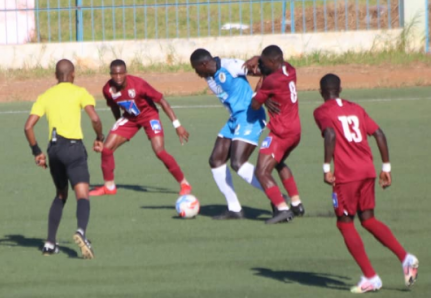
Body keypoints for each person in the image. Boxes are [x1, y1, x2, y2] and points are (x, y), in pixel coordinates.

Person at [313, 74, 418, 293]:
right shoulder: (356, 108)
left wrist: (326, 168)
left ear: (321, 92)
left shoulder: (322, 111)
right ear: (340, 88)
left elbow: (330, 134)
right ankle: (405, 258)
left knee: (344, 223)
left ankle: (371, 277)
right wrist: (386, 167)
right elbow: (378, 133)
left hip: (347, 176)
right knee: (368, 220)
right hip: (367, 171)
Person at [24, 59, 104, 259]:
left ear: (55, 75)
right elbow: (94, 118)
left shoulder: (46, 95)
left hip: (54, 150)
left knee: (61, 195)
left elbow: (28, 127)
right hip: (73, 149)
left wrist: (37, 152)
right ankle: (81, 233)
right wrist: (99, 137)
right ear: (73, 74)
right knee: (82, 195)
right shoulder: (80, 92)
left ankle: (50, 243)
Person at [89, 59, 191, 196]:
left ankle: (184, 183)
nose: (118, 77)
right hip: (130, 118)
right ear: (110, 74)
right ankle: (109, 187)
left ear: (126, 73)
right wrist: (118, 124)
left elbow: (162, 102)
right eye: (115, 74)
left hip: (149, 116)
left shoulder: (138, 85)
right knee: (106, 149)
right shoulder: (107, 89)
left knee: (159, 151)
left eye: (121, 74)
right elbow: (114, 106)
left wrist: (177, 125)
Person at [189, 48, 267, 220]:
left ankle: (276, 197)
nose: (196, 73)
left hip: (250, 117)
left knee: (238, 163)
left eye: (196, 69)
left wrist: (261, 94)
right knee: (216, 160)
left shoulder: (231, 66)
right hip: (235, 119)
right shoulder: (209, 76)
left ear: (203, 64)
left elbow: (268, 70)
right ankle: (234, 209)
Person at [244, 45, 305, 224]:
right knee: (278, 164)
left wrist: (262, 98)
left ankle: (282, 208)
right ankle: (296, 203)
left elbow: (254, 104)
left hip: (281, 133)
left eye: (263, 62)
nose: (260, 65)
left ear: (271, 62)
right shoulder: (290, 69)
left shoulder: (271, 81)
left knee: (261, 171)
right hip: (295, 131)